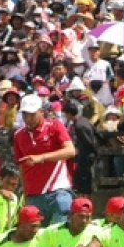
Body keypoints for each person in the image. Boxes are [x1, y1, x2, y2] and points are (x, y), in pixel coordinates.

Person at [13, 95, 76, 225]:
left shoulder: (55, 126)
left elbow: (70, 151)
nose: (28, 119)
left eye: (32, 114)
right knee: (36, 238)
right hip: (33, 194)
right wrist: (26, 194)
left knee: (59, 233)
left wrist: (41, 158)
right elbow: (21, 166)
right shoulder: (18, 135)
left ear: (41, 112)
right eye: (25, 115)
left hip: (58, 190)